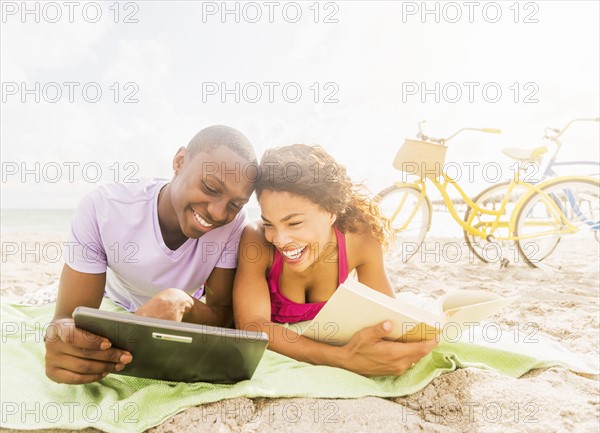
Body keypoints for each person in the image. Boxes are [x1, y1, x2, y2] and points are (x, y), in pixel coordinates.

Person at [45, 125, 257, 384]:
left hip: (189, 301)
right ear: (180, 162)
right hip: (118, 297)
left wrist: (180, 301)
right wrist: (61, 341)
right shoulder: (103, 209)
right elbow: (66, 318)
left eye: (235, 205)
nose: (218, 213)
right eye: (211, 188)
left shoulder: (234, 224)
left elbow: (221, 315)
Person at [233, 145, 436, 376]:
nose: (279, 239)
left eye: (294, 223)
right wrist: (343, 358)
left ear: (331, 212)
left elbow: (389, 320)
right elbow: (252, 326)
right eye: (269, 223)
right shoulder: (256, 241)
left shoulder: (361, 239)